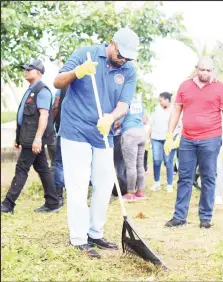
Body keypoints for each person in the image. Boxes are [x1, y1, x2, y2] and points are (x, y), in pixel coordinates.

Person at [53, 27, 139, 258]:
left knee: (104, 184)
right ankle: (79, 238)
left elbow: (124, 104)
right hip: (76, 129)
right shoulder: (86, 54)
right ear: (111, 44)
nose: (124, 60)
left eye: (129, 57)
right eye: (121, 54)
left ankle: (95, 232)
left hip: (103, 132)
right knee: (79, 185)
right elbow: (57, 82)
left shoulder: (129, 70)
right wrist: (77, 72)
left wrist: (111, 117)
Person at [164, 56, 223, 229]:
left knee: (208, 177)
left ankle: (205, 217)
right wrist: (169, 135)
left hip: (211, 139)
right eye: (202, 69)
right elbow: (176, 111)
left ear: (213, 70)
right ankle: (179, 217)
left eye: (209, 70)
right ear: (196, 68)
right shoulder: (185, 85)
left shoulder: (221, 88)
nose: (205, 73)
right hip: (187, 139)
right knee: (184, 177)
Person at [1, 60, 59, 214]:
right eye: (25, 68)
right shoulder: (30, 90)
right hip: (27, 137)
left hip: (34, 139)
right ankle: (53, 202)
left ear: (38, 72)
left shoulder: (43, 91)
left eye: (29, 69)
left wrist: (38, 139)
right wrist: (18, 137)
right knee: (43, 168)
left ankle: (8, 204)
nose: (25, 71)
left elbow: (44, 116)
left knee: (21, 169)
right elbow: (25, 117)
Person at [150, 92, 181, 193]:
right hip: (156, 138)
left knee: (168, 161)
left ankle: (169, 184)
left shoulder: (175, 110)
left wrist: (174, 139)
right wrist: (148, 137)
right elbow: (151, 123)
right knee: (156, 160)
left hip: (169, 139)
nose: (159, 102)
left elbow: (179, 126)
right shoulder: (156, 109)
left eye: (161, 100)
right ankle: (157, 183)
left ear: (167, 100)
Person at [120, 95, 146, 201]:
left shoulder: (124, 101)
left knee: (130, 166)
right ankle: (140, 192)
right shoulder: (140, 103)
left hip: (130, 133)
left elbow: (118, 119)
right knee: (140, 165)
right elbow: (144, 119)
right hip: (141, 132)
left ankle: (130, 193)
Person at [52, 87, 68, 206]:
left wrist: (51, 124)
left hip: (64, 131)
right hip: (83, 133)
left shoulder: (62, 89)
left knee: (59, 163)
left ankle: (59, 196)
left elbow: (56, 107)